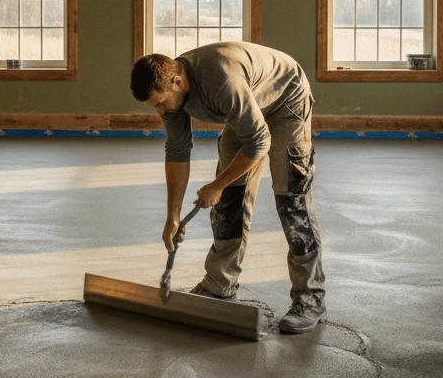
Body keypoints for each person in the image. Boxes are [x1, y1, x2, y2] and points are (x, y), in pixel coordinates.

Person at [129, 41, 326, 334]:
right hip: (249, 104)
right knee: (229, 200)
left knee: (291, 201)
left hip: (286, 98)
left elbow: (259, 142)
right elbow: (178, 150)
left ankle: (309, 299)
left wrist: (217, 184)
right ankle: (219, 284)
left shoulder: (221, 81)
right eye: (153, 106)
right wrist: (173, 215)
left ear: (177, 81)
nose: (160, 110)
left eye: (160, 103)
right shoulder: (171, 94)